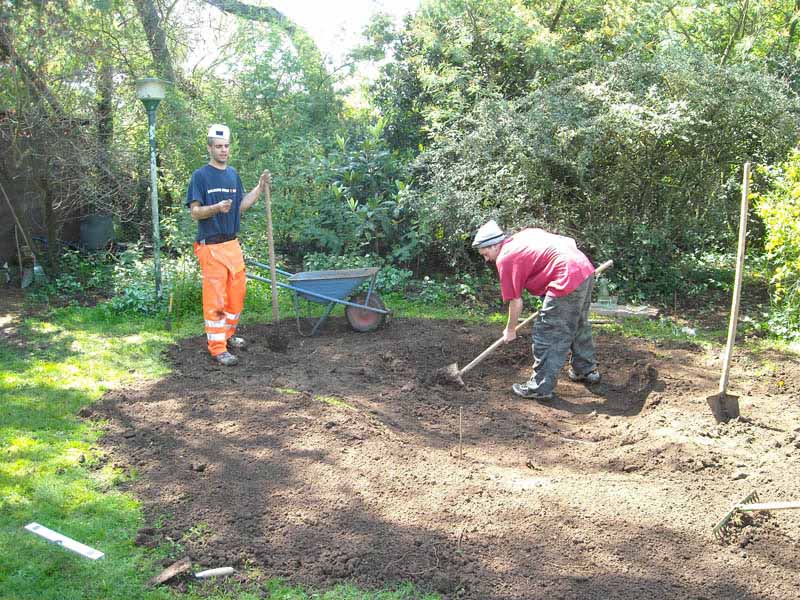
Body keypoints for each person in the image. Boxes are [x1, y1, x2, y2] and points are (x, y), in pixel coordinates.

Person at [472, 220, 601, 400]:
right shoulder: (525, 235)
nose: (487, 259)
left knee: (549, 332)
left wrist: (510, 329)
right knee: (578, 323)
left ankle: (540, 387)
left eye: (486, 254)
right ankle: (585, 369)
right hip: (583, 269)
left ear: (495, 245)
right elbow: (566, 242)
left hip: (565, 277)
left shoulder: (505, 258)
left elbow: (516, 301)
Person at [186, 124, 271, 366]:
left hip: (232, 245)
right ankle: (217, 347)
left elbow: (241, 205)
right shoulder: (200, 176)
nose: (223, 150)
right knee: (216, 300)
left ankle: (228, 335)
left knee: (237, 296)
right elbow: (195, 212)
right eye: (219, 147)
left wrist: (260, 187)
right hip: (210, 246)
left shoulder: (233, 174)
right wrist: (215, 208)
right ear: (210, 148)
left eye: (226, 146)